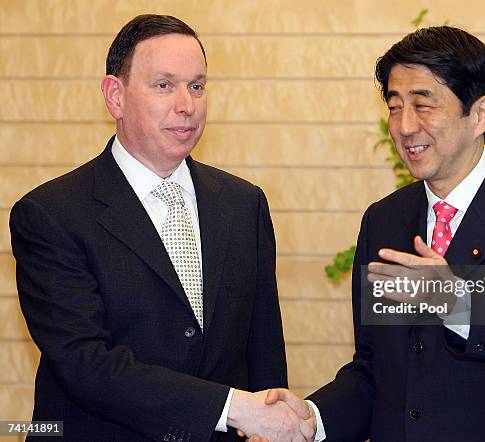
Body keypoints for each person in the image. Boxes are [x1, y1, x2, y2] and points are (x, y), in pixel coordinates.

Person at [257, 26, 485, 441]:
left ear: (481, 114)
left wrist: (455, 300)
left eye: (423, 104)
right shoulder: (384, 219)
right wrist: (315, 419)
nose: (405, 126)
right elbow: (375, 369)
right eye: (395, 107)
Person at [10, 14, 313, 442]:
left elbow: (263, 351)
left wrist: (268, 418)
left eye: (196, 85)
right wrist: (231, 408)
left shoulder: (245, 203)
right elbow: (85, 363)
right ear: (115, 96)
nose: (186, 105)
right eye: (164, 85)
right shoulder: (51, 214)